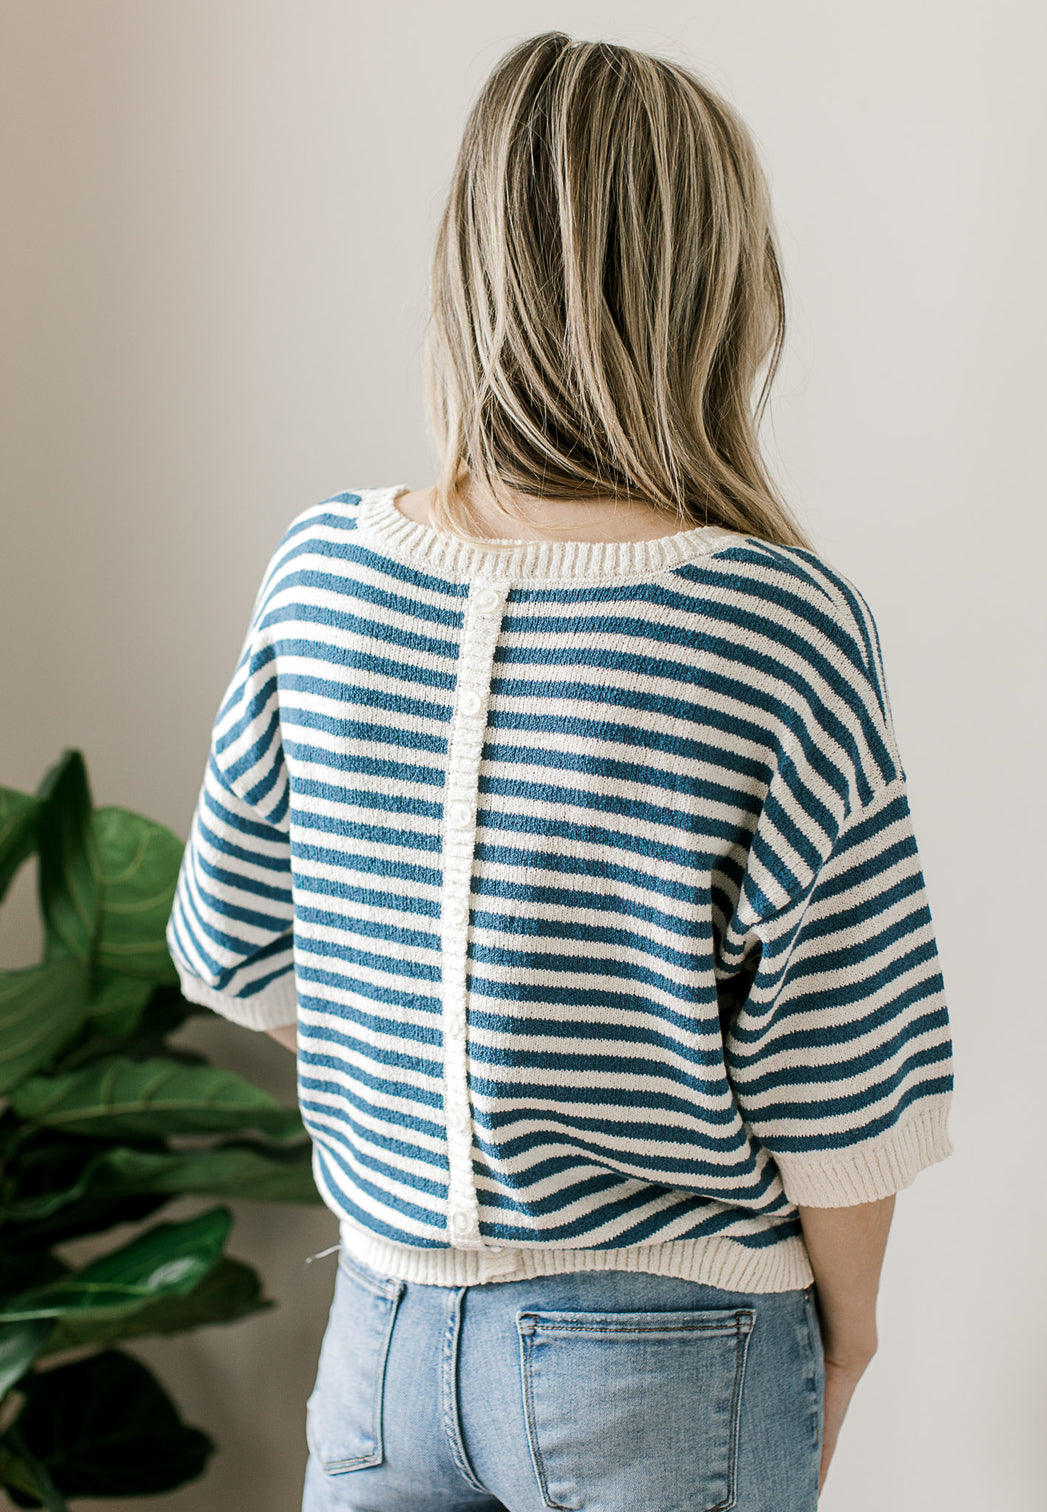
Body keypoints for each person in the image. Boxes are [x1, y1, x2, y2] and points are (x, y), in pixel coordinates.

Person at [166, 31, 955, 1512]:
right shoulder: (774, 621)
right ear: (719, 290)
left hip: (387, 1341)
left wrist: (421, 1116)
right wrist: (849, 1335)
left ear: (468, 269)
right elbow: (843, 1070)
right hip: (674, 1348)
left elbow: (236, 942)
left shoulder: (325, 572)